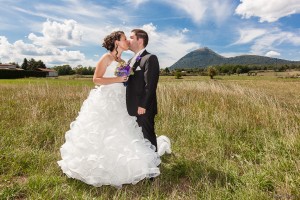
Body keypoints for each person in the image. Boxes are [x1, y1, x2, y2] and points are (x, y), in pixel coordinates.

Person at [57, 31, 162, 188]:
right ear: (116, 42)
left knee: (123, 132)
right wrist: (118, 79)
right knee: (101, 132)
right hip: (105, 100)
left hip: (121, 101)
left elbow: (138, 83)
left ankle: (137, 165)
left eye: (129, 38)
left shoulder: (125, 60)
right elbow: (96, 79)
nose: (127, 40)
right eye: (124, 38)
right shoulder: (106, 58)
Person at [126, 29, 161, 152]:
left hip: (143, 108)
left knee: (147, 136)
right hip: (130, 107)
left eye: (131, 37)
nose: (127, 40)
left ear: (140, 40)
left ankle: (154, 164)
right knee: (136, 137)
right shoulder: (130, 61)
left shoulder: (150, 58)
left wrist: (143, 105)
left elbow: (150, 85)